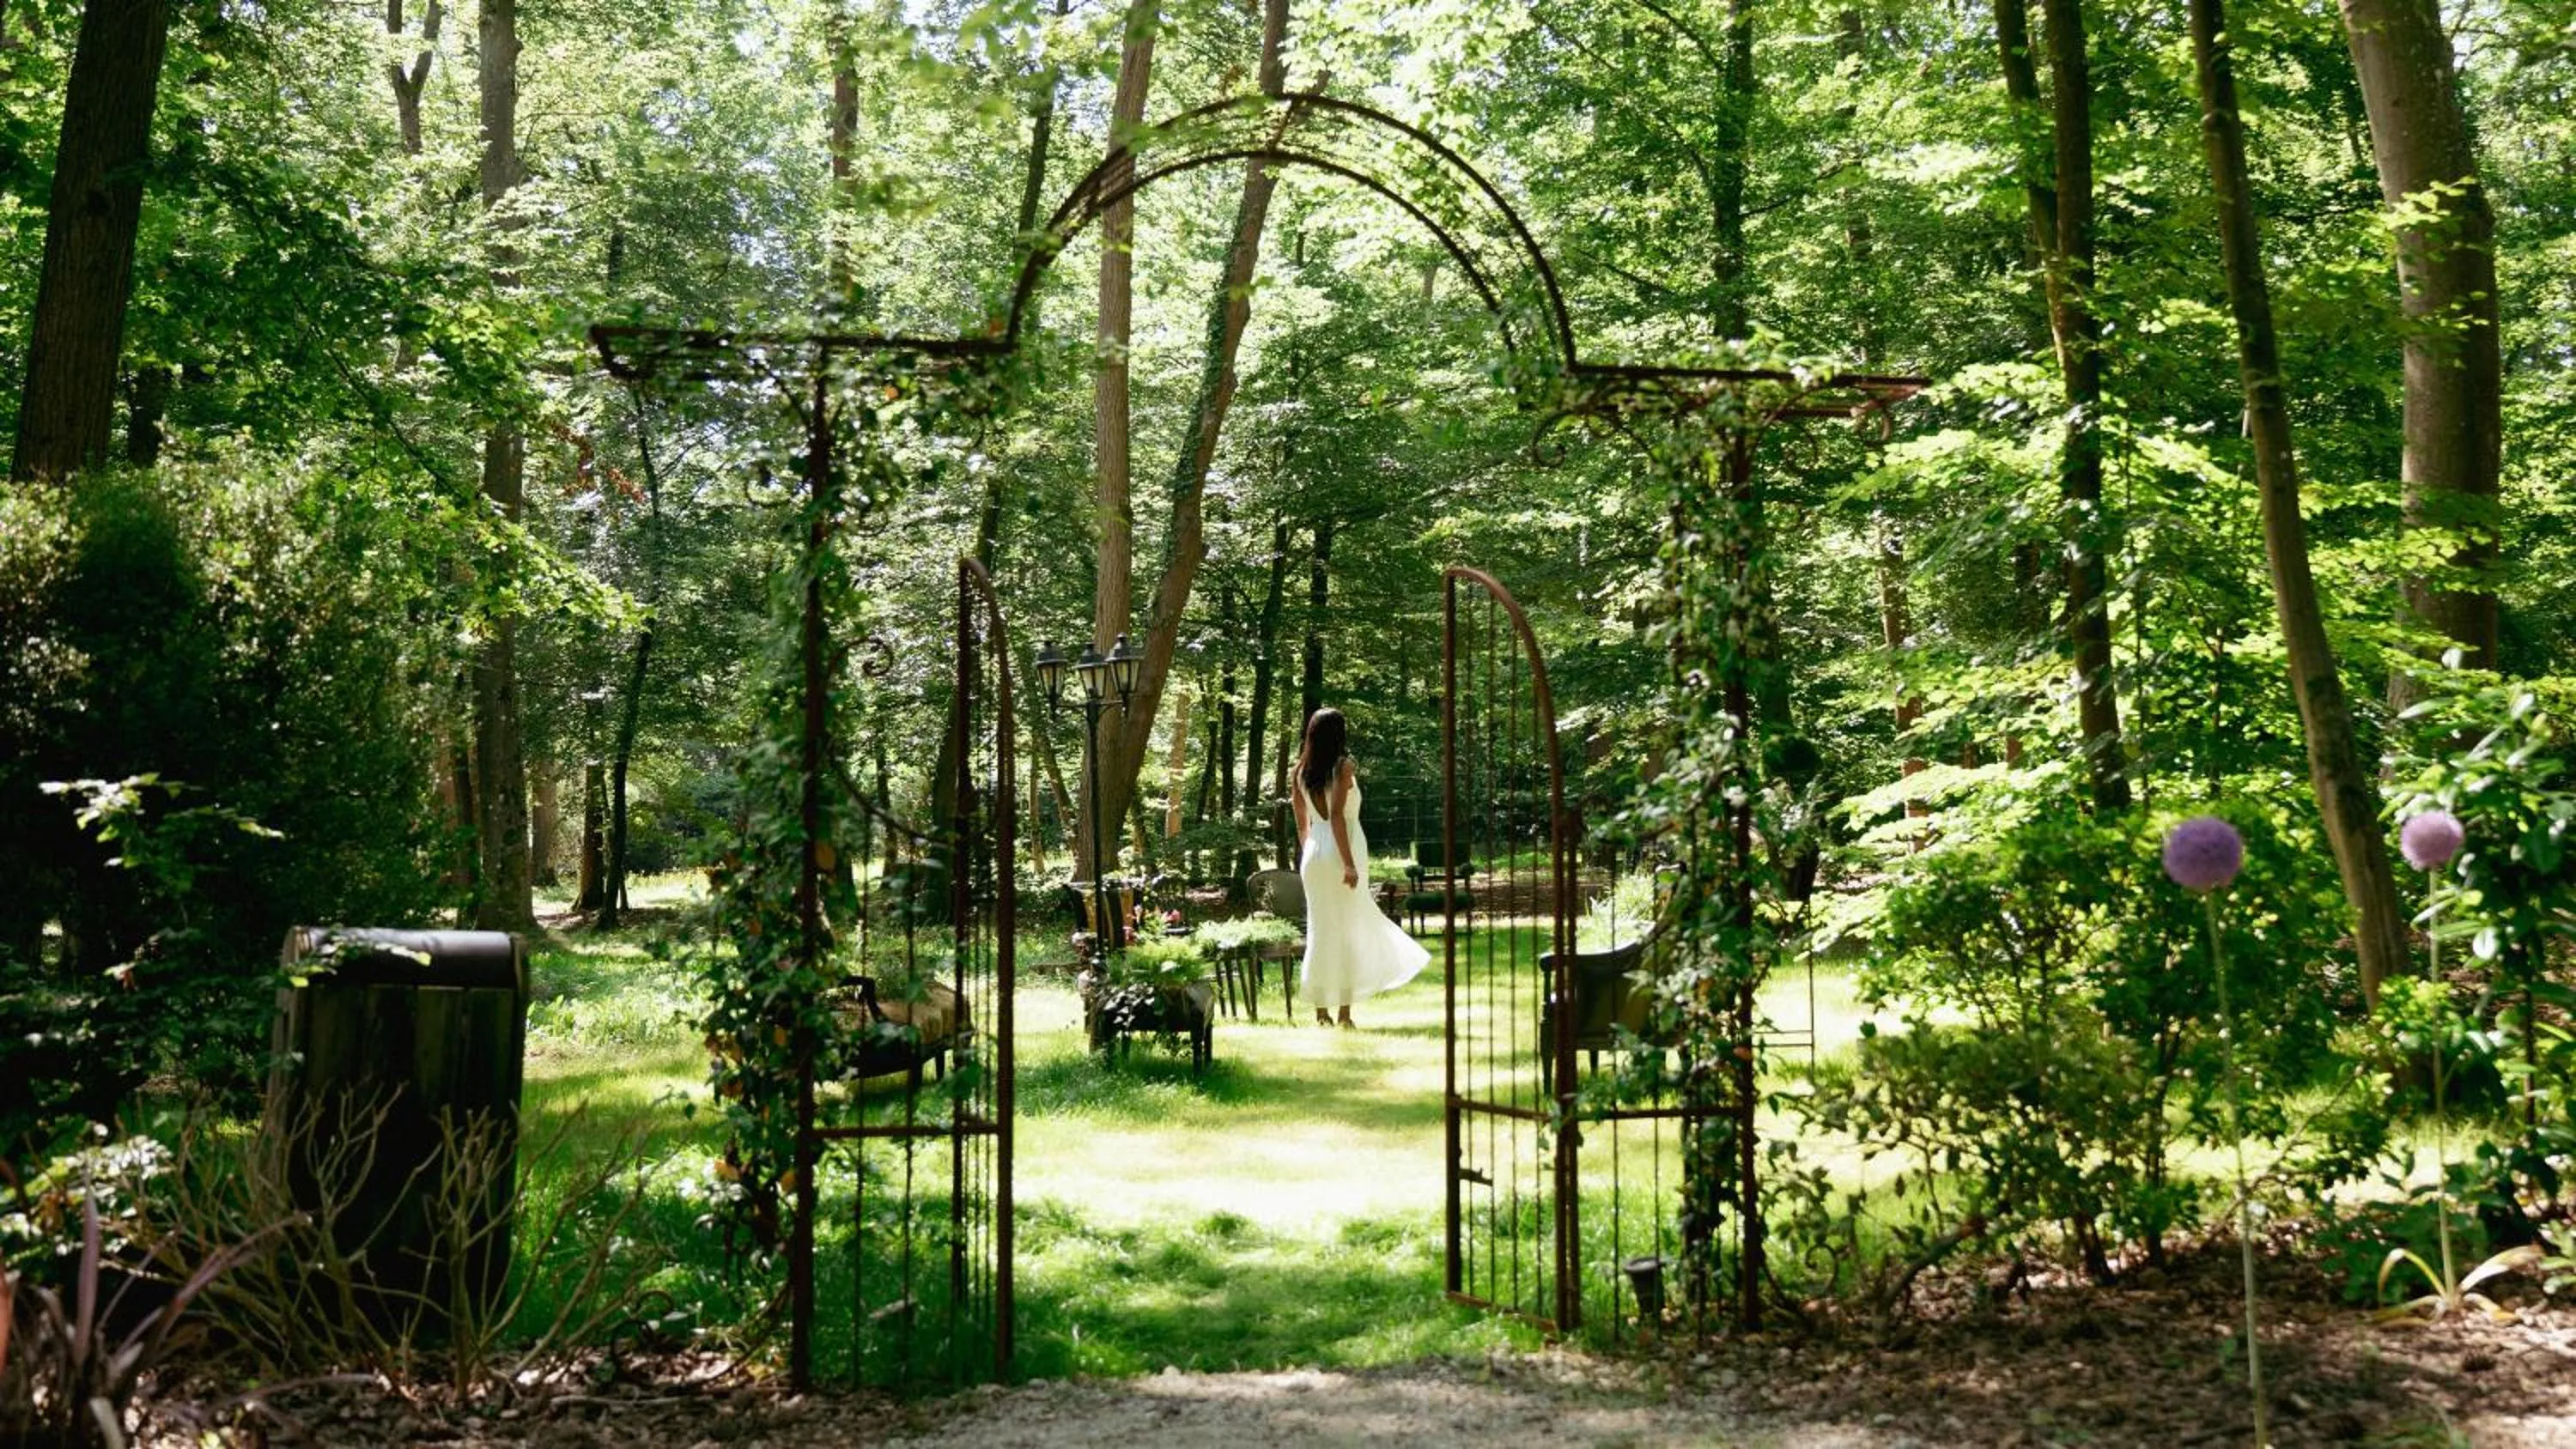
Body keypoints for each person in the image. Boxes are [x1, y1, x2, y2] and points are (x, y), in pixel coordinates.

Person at [1291, 707, 1429, 1028]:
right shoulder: (1343, 767)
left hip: (1313, 855)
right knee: (1347, 930)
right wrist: (1348, 864)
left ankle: (1321, 1012)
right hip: (1344, 849)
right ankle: (1344, 1014)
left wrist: (1312, 852)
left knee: (1320, 930)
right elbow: (1337, 815)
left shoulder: (1300, 770)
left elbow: (1302, 824)